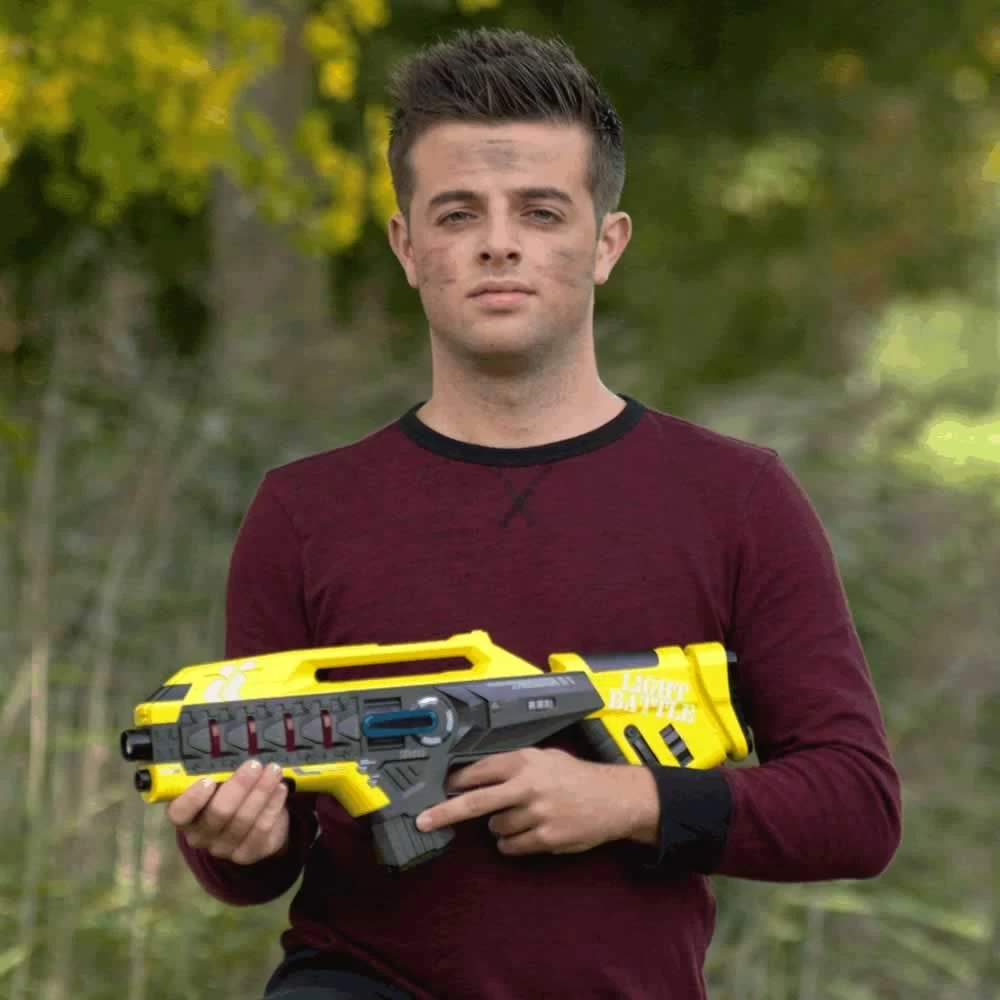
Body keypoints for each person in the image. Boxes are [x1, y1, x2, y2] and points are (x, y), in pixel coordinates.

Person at [165, 27, 902, 1000]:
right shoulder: (303, 511)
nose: (498, 241)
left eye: (541, 211)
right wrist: (235, 835)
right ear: (406, 246)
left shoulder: (737, 498)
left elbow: (855, 806)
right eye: (457, 212)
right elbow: (257, 857)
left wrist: (629, 799)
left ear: (607, 244)